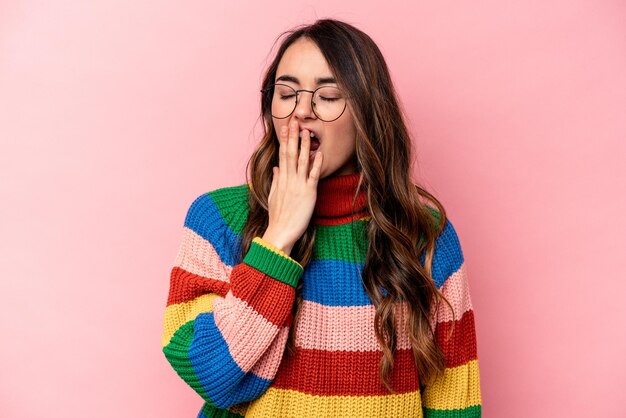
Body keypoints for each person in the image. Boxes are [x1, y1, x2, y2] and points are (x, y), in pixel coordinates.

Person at [161, 18, 482, 418]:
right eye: (286, 93)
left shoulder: (425, 236)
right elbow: (211, 374)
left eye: (328, 96)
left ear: (368, 113)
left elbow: (455, 403)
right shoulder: (217, 220)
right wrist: (278, 239)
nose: (302, 112)